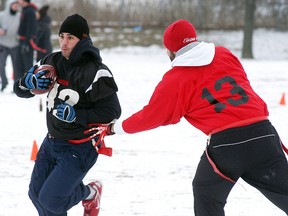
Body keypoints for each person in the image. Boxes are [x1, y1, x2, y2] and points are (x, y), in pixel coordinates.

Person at [97, 19, 288, 216]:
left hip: (228, 143)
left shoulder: (175, 79)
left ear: (170, 50)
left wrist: (114, 128)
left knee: (206, 193)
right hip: (264, 134)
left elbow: (150, 116)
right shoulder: (224, 53)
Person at [13, 14, 121, 216]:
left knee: (52, 200)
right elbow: (19, 90)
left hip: (80, 147)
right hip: (52, 141)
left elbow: (113, 112)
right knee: (36, 194)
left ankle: (89, 193)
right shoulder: (52, 61)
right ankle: (86, 194)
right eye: (61, 36)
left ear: (84, 39)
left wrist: (76, 115)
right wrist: (26, 84)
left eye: (70, 37)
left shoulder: (96, 71)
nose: (64, 42)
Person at [0, 0, 20, 91]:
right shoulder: (1, 15)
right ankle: (4, 83)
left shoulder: (20, 16)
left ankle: (15, 85)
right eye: (14, 5)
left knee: (15, 66)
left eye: (17, 6)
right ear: (10, 5)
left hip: (15, 45)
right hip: (3, 44)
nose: (16, 7)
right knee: (1, 65)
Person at [15, 0, 37, 82]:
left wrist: (26, 43)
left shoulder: (30, 11)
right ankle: (19, 84)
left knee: (27, 65)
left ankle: (29, 85)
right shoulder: (25, 10)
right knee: (19, 64)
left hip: (26, 42)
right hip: (22, 41)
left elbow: (31, 28)